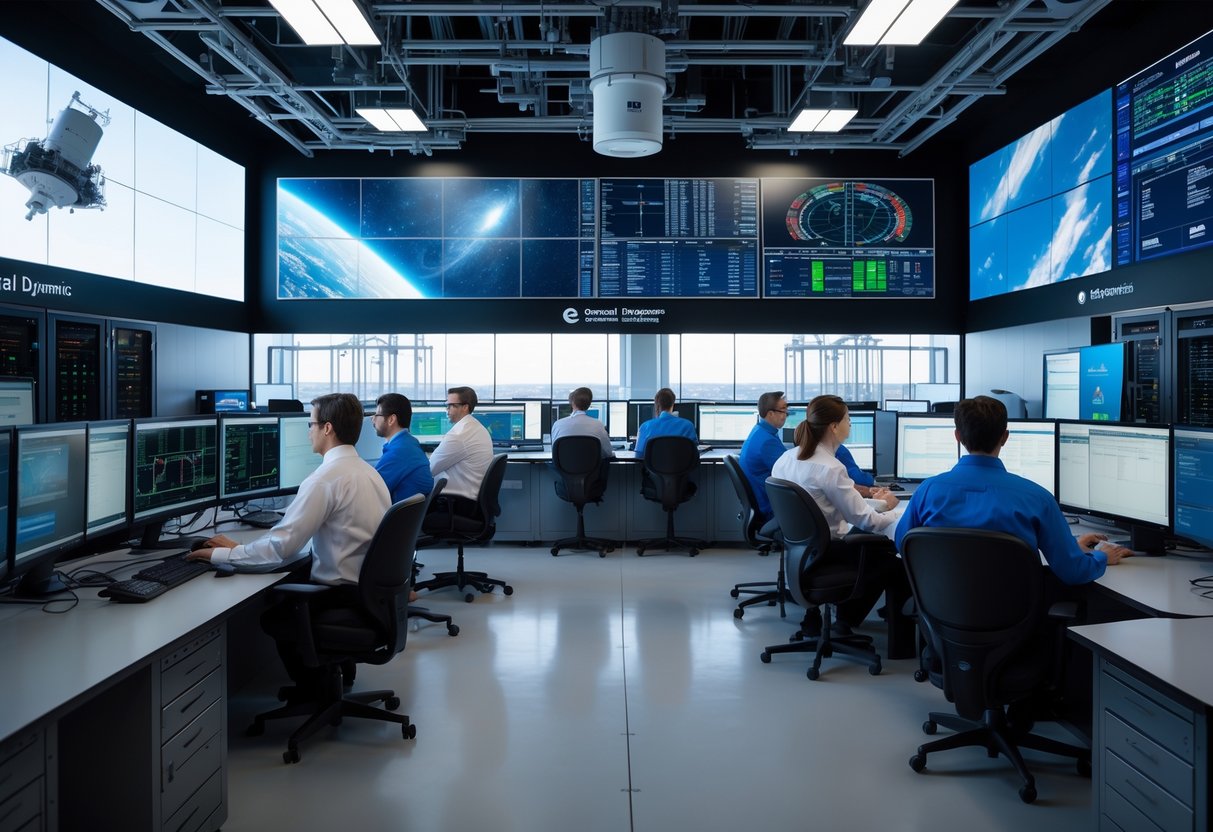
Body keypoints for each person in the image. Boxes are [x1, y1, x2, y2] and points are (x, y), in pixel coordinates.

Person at [188, 392, 391, 695]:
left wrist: (224, 554)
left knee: (276, 614)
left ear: (327, 428)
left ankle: (315, 691)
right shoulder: (369, 473)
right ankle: (332, 675)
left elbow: (280, 549)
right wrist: (240, 547)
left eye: (310, 423)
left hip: (343, 596)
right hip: (372, 597)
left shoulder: (324, 480)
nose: (308, 430)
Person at [894, 395, 1132, 584]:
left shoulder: (927, 491)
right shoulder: (1037, 498)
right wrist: (1101, 556)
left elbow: (903, 545)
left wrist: (1071, 545)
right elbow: (1073, 572)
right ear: (1005, 437)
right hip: (1014, 623)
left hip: (942, 619)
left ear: (957, 437)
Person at [770, 394, 905, 630]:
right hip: (834, 550)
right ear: (834, 426)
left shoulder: (785, 459)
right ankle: (846, 623)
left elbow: (832, 506)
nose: (850, 424)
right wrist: (896, 511)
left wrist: (879, 506)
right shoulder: (831, 468)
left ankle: (842, 619)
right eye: (848, 419)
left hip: (802, 552)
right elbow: (866, 520)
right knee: (895, 561)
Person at [425, 385, 494, 529]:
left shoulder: (459, 435)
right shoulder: (475, 427)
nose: (447, 410)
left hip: (458, 504)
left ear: (465, 407)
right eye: (447, 405)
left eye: (451, 405)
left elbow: (428, 470)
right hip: (472, 503)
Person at [372, 392, 434, 504]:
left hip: (394, 519)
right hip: (408, 517)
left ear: (391, 419)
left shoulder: (399, 451)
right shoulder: (409, 442)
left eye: (377, 415)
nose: (373, 420)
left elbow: (371, 491)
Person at [738, 390, 789, 522]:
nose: (786, 415)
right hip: (770, 507)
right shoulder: (767, 442)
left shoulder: (760, 431)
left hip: (762, 501)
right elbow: (791, 473)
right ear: (770, 414)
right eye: (783, 410)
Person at [634, 387, 697, 455]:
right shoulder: (688, 426)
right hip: (681, 465)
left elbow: (638, 456)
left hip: (653, 465)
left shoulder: (645, 427)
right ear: (673, 404)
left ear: (657, 406)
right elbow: (694, 454)